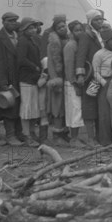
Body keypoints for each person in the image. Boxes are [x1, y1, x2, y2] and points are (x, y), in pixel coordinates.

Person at [0, 12, 24, 146]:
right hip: (7, 79)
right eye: (10, 21)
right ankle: (10, 135)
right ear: (3, 22)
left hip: (18, 77)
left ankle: (19, 133)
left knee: (19, 106)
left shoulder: (17, 36)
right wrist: (2, 83)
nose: (13, 23)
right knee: (9, 107)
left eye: (15, 21)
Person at [75, 9, 104, 147]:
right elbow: (81, 54)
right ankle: (91, 138)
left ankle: (100, 137)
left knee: (100, 106)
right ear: (90, 21)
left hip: (102, 74)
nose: (100, 22)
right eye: (97, 19)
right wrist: (80, 74)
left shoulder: (101, 34)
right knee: (89, 106)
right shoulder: (86, 36)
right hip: (91, 76)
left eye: (101, 19)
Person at [92, 25, 112, 145]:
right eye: (111, 40)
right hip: (104, 83)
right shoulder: (99, 54)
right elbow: (95, 72)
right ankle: (105, 140)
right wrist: (104, 83)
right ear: (105, 41)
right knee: (104, 113)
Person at [16, 17, 43, 147]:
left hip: (33, 78)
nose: (33, 30)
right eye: (30, 28)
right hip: (26, 78)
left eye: (34, 27)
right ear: (24, 29)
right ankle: (26, 134)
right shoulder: (22, 41)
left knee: (33, 107)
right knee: (26, 107)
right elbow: (21, 59)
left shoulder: (32, 40)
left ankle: (32, 132)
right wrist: (34, 67)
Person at [47, 15, 70, 146]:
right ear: (55, 29)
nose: (63, 28)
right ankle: (56, 135)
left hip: (65, 77)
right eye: (59, 27)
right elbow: (52, 62)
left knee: (64, 106)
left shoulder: (66, 39)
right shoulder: (53, 43)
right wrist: (55, 78)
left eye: (64, 26)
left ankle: (64, 133)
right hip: (57, 77)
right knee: (57, 108)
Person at [63, 20, 86, 148]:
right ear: (71, 32)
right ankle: (74, 138)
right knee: (74, 109)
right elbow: (69, 66)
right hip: (71, 82)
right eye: (77, 30)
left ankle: (75, 137)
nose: (80, 32)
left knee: (77, 108)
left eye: (81, 30)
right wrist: (74, 82)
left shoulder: (78, 44)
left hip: (76, 82)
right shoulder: (70, 46)